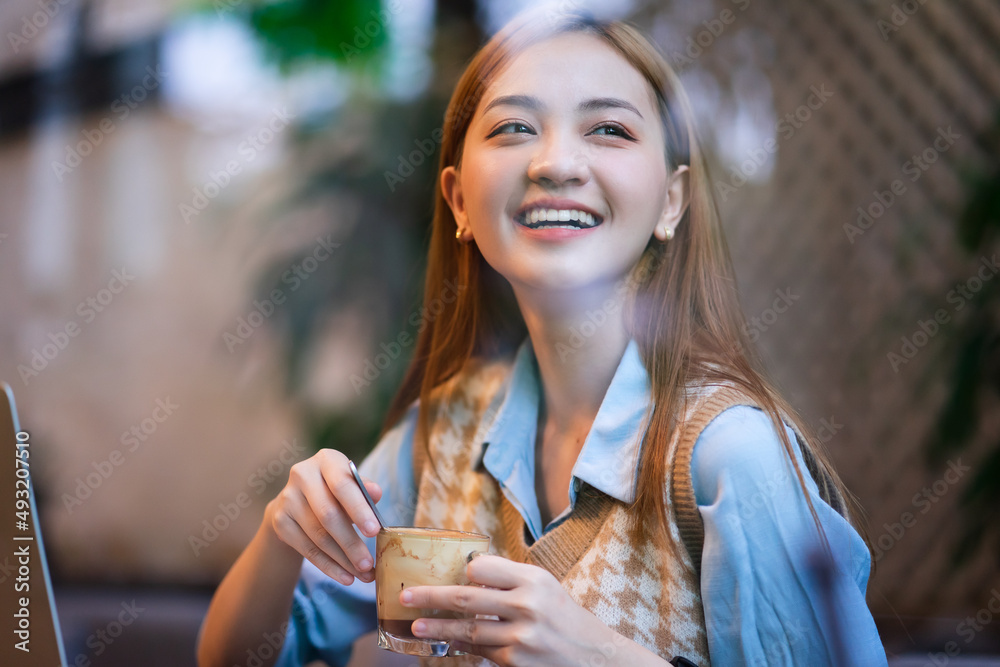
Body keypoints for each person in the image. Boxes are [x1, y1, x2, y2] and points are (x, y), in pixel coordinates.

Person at [197, 8, 888, 667]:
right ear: (460, 200)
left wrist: (598, 654)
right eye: (514, 128)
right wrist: (282, 534)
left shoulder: (730, 455)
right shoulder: (439, 435)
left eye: (609, 130)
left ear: (670, 202)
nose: (556, 163)